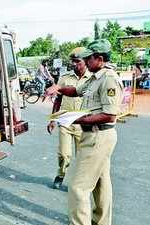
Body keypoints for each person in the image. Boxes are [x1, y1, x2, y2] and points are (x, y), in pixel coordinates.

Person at [45, 39, 123, 225]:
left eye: (89, 58)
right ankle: (101, 222)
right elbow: (74, 91)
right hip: (96, 135)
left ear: (100, 59)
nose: (86, 62)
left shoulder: (108, 79)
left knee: (78, 188)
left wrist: (77, 119)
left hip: (98, 136)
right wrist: (58, 88)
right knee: (101, 184)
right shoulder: (95, 77)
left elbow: (110, 115)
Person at [46, 47, 91, 189]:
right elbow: (58, 100)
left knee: (82, 156)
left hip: (83, 124)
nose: (74, 64)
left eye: (77, 61)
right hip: (65, 121)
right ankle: (60, 174)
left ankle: (79, 182)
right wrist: (52, 119)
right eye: (73, 61)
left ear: (86, 62)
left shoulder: (92, 78)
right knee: (64, 154)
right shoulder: (65, 78)